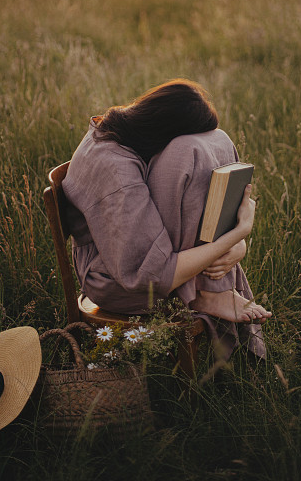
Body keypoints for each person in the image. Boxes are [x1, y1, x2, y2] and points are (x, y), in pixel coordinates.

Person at [62, 79, 272, 358]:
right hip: (114, 279)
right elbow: (148, 276)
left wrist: (236, 247)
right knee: (186, 158)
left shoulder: (127, 132)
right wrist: (238, 235)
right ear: (164, 132)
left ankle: (206, 292)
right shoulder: (115, 170)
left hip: (142, 258)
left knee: (209, 146)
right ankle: (200, 295)